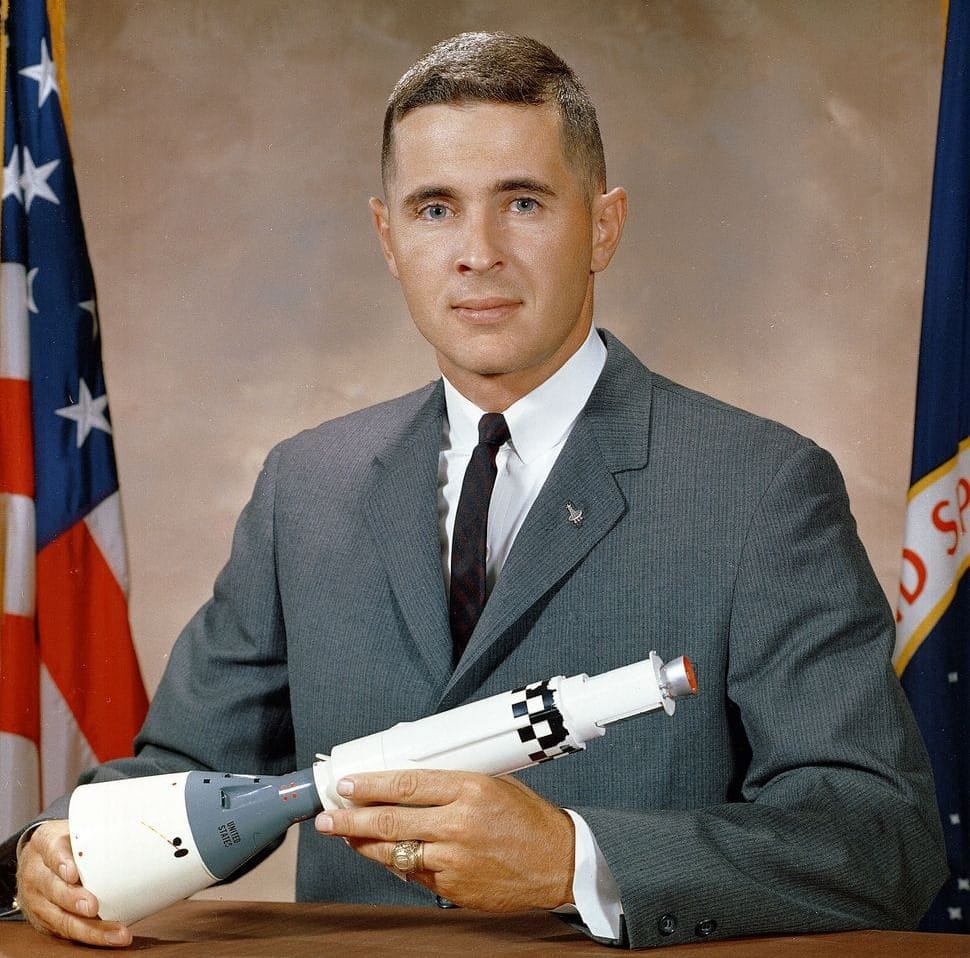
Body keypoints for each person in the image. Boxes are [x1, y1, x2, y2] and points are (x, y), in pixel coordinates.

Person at [7, 31, 947, 950]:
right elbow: (184, 773)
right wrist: (56, 849)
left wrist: (577, 860)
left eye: (523, 202)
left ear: (604, 225)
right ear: (388, 237)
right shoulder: (307, 485)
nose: (478, 252)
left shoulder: (759, 487)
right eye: (434, 209)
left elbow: (880, 838)